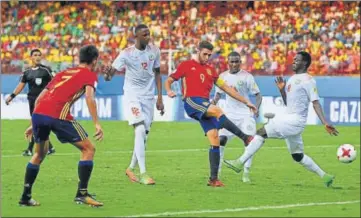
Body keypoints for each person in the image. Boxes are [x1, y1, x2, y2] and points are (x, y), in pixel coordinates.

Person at [224, 51, 339, 187]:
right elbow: (288, 103)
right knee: (297, 156)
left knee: (260, 133)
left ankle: (239, 162)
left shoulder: (309, 80)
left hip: (294, 121)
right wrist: (282, 90)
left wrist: (325, 122)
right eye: (294, 59)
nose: (294, 61)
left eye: (297, 60)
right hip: (291, 120)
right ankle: (325, 176)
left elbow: (315, 102)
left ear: (305, 63)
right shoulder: (292, 79)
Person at [19, 45, 104, 207]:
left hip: (39, 114)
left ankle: (25, 196)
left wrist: (34, 122)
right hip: (58, 115)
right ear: (95, 60)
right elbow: (89, 98)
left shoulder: (63, 73)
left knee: (39, 154)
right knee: (89, 149)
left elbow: (40, 97)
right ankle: (82, 194)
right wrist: (97, 124)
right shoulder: (89, 74)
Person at [165, 41, 257, 187]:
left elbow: (227, 89)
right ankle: (245, 138)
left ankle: (213, 179)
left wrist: (247, 102)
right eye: (205, 54)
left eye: (209, 55)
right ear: (198, 51)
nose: (207, 57)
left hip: (204, 105)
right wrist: (169, 90)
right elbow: (169, 80)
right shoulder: (186, 65)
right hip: (192, 102)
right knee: (217, 110)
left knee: (215, 138)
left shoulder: (211, 70)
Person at [103, 24, 164, 185]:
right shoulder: (126, 54)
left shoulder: (154, 51)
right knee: (140, 128)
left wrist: (160, 98)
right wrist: (107, 74)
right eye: (145, 35)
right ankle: (143, 173)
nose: (148, 37)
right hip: (132, 95)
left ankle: (130, 168)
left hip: (148, 97)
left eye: (149, 34)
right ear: (136, 37)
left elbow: (157, 73)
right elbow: (109, 76)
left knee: (143, 136)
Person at [212, 51, 263, 183]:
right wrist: (213, 104)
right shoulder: (222, 77)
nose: (234, 64)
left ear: (240, 62)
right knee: (221, 140)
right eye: (232, 61)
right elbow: (218, 94)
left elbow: (258, 95)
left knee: (249, 142)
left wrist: (256, 107)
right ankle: (217, 173)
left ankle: (246, 173)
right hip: (228, 115)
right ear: (228, 62)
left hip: (245, 115)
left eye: (237, 61)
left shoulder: (247, 77)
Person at [6, 49, 56, 156]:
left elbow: (55, 82)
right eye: (35, 55)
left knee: (35, 124)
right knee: (38, 125)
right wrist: (12, 96)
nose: (37, 57)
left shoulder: (46, 70)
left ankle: (29, 149)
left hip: (43, 101)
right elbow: (21, 85)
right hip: (32, 101)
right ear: (31, 57)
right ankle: (50, 147)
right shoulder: (27, 72)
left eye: (39, 55)